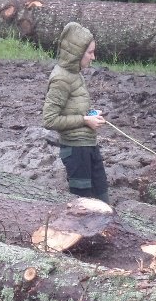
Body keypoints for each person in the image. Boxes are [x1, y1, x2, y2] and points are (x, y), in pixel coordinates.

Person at [42, 21, 108, 203]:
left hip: (89, 146)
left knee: (102, 198)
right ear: (77, 53)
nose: (93, 57)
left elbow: (72, 107)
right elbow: (49, 119)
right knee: (83, 203)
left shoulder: (75, 73)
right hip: (76, 151)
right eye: (90, 52)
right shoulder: (61, 79)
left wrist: (90, 114)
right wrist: (84, 120)